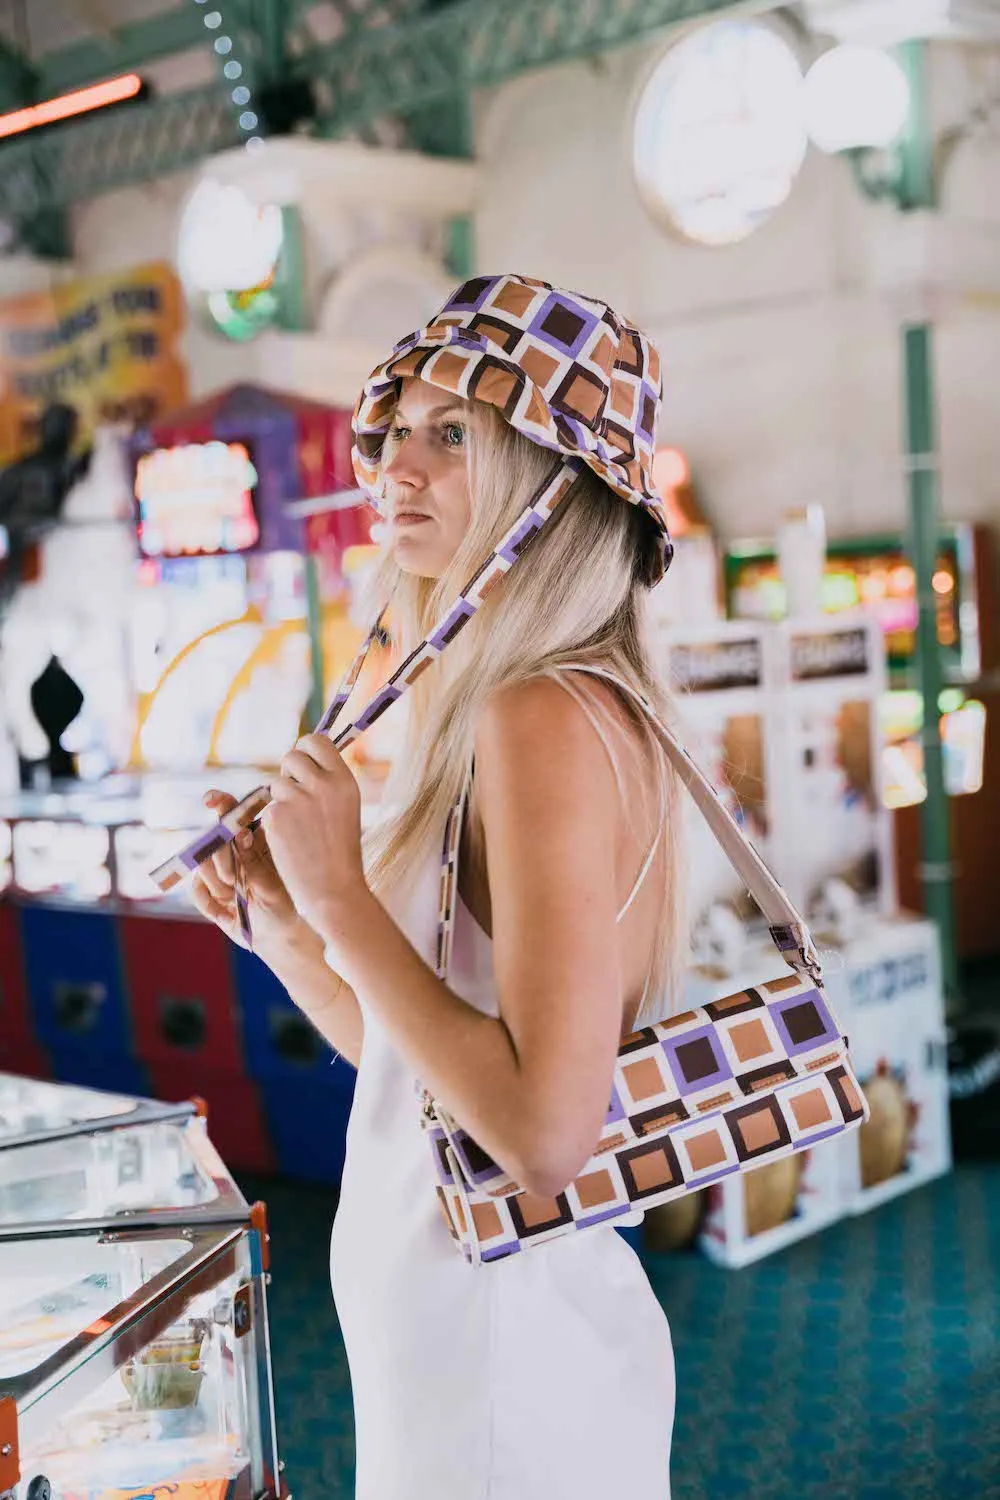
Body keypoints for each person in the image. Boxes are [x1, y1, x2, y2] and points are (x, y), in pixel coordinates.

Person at [192, 274, 684, 1499]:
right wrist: (289, 928)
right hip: (458, 1345)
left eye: (451, 434)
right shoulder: (502, 702)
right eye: (396, 431)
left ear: (547, 473)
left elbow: (541, 1136)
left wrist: (343, 894)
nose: (394, 468)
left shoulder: (540, 714)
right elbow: (432, 1076)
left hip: (504, 1367)